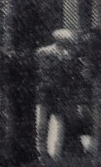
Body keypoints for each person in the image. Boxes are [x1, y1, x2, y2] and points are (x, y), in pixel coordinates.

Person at [34, 28, 87, 159]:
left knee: (53, 121)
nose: (69, 45)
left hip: (55, 93)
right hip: (48, 92)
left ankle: (51, 153)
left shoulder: (66, 55)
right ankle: (45, 152)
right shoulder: (46, 53)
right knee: (45, 122)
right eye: (67, 42)